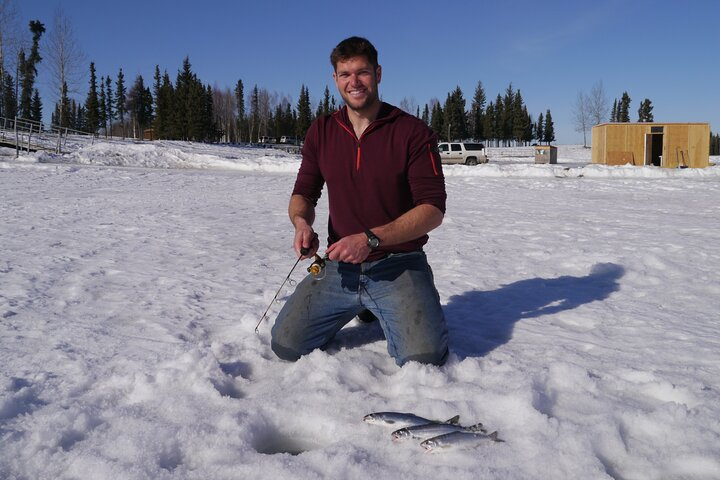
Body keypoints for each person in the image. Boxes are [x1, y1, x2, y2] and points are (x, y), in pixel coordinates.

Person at [270, 36, 449, 367]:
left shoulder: (412, 132)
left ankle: (404, 297)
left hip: (399, 262)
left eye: (362, 72)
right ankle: (366, 305)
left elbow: (432, 210)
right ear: (335, 79)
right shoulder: (321, 131)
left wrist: (370, 239)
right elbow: (303, 193)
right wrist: (301, 223)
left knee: (423, 358)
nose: (354, 82)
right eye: (344, 74)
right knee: (286, 345)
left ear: (378, 74)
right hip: (341, 266)